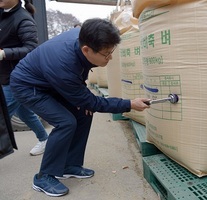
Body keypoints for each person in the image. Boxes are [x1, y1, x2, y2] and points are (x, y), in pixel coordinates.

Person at [10, 18, 150, 197]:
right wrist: (129, 104)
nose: (110, 57)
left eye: (111, 51)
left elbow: (82, 89)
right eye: (106, 54)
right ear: (86, 50)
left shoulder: (84, 38)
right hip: (28, 86)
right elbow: (92, 101)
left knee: (84, 114)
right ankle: (43, 176)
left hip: (50, 81)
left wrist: (83, 101)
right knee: (66, 122)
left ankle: (70, 165)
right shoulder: (64, 65)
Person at [0, 0, 48, 156]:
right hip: (4, 74)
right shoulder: (3, 13)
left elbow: (31, 48)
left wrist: (4, 53)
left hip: (16, 78)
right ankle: (44, 139)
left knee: (2, 116)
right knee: (24, 113)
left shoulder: (23, 18)